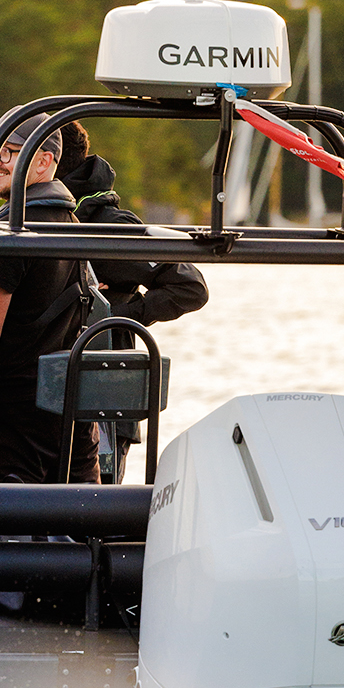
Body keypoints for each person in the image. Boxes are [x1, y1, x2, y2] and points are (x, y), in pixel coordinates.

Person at [0, 110, 98, 485]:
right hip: (71, 414)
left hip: (9, 420)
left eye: (11, 151)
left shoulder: (7, 235)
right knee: (78, 532)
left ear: (44, 162)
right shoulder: (72, 225)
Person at [55, 121, 208, 481]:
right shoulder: (34, 216)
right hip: (49, 390)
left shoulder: (111, 225)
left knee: (95, 510)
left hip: (105, 397)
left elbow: (191, 288)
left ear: (50, 161)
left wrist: (115, 313)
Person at [55, 121, 209, 326]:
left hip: (85, 353)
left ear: (46, 160)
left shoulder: (111, 226)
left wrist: (108, 315)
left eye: (12, 153)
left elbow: (190, 289)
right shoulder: (20, 216)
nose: (1, 162)